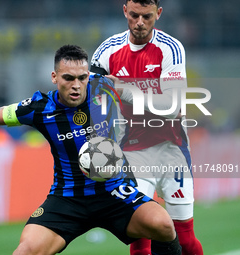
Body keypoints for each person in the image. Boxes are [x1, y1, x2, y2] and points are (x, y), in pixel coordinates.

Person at [0, 44, 182, 255]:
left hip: (114, 190)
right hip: (67, 198)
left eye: (82, 78)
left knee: (162, 224)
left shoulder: (104, 85)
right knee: (25, 252)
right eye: (68, 78)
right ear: (55, 77)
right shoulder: (39, 107)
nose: (76, 85)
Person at [90, 1, 203, 255]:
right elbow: (95, 99)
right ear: (124, 11)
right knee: (141, 238)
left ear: (158, 14)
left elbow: (172, 106)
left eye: (147, 16)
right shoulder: (106, 51)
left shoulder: (171, 49)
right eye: (134, 15)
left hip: (171, 149)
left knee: (184, 238)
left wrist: (125, 90)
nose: (140, 22)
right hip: (132, 153)